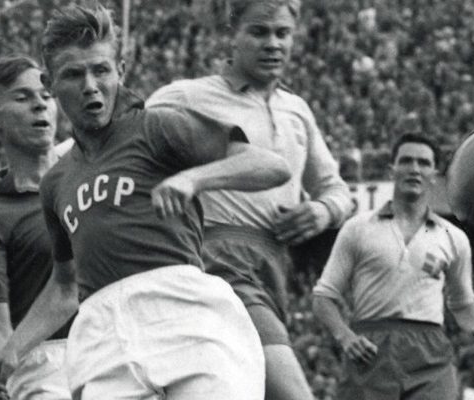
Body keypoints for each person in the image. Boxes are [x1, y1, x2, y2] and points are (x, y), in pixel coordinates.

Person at [0, 4, 293, 400]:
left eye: (101, 70)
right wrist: (14, 347)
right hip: (106, 335)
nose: (90, 86)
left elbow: (270, 166)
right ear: (50, 84)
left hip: (183, 312)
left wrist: (193, 179)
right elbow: (64, 286)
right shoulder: (56, 183)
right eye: (74, 74)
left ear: (121, 70)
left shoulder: (157, 127)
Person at [146, 1, 353, 399]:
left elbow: (336, 189)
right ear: (232, 35)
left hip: (273, 265)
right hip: (218, 257)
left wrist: (322, 211)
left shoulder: (297, 110)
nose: (273, 43)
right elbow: (118, 135)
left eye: (282, 33)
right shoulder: (188, 96)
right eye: (259, 32)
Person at [312, 133, 474, 400]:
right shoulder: (357, 228)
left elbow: (462, 302)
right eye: (406, 161)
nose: (414, 169)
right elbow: (323, 297)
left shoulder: (453, 237)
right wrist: (346, 338)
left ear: (434, 174)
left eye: (424, 163)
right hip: (371, 347)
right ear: (391, 169)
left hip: (430, 350)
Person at [0, 56, 72, 400]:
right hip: (45, 367)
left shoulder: (90, 174)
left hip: (117, 347)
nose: (40, 104)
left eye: (47, 95)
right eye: (22, 97)